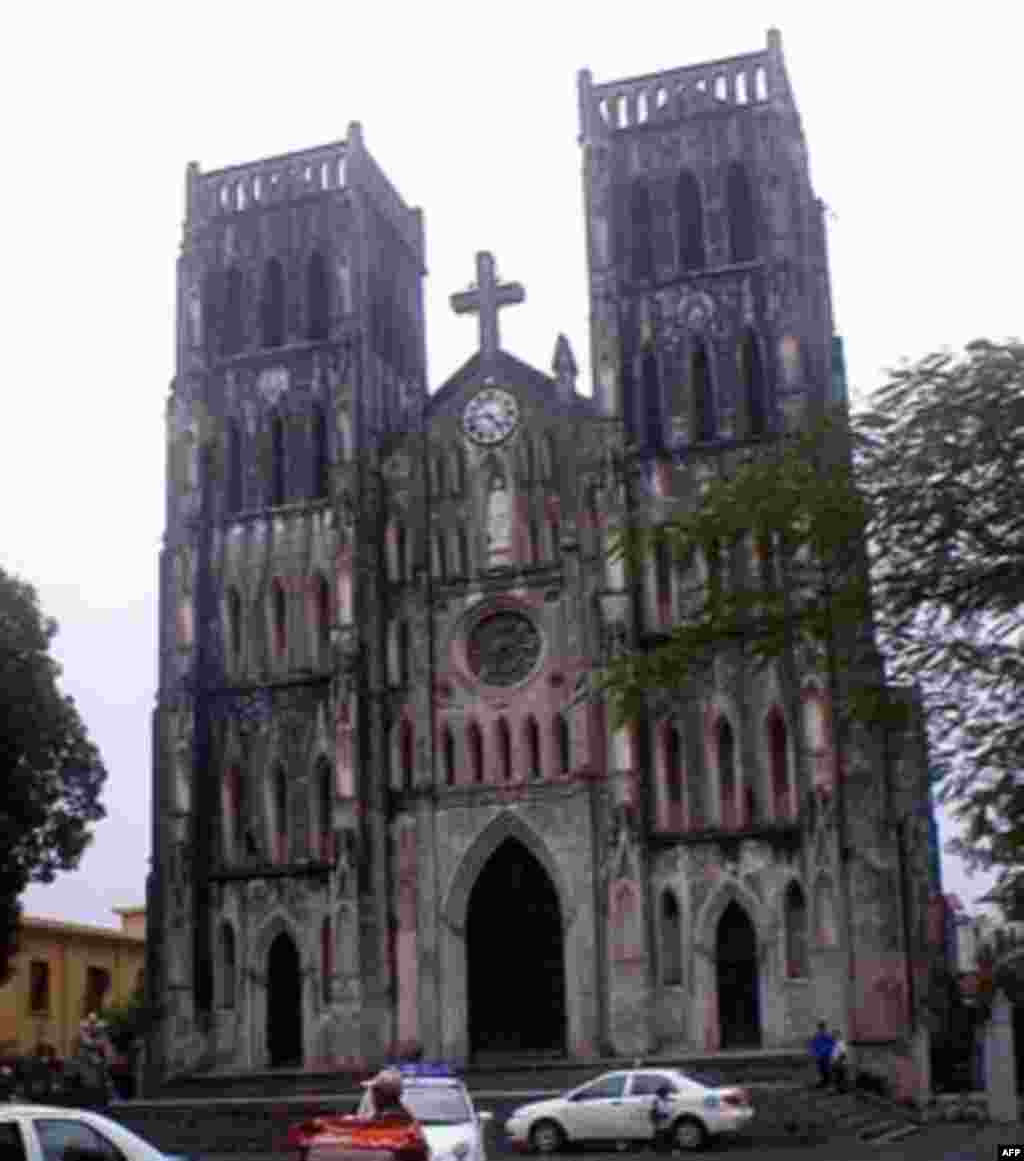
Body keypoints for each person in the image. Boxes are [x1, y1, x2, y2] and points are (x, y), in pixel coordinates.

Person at [649, 1083, 675, 1152]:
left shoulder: (668, 1100)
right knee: (659, 1135)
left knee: (666, 1134)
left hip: (666, 1121)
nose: (666, 1094)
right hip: (660, 1120)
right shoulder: (656, 1101)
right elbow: (653, 1111)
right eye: (665, 1093)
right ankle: (658, 1149)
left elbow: (670, 1110)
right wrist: (656, 1119)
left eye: (666, 1093)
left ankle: (666, 1149)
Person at [810, 1021, 834, 1089]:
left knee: (826, 1070)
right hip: (819, 1056)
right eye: (820, 1027)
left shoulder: (827, 1036)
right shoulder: (816, 1036)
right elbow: (813, 1045)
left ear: (824, 1027)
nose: (821, 1029)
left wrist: (828, 1052)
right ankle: (823, 1082)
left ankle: (827, 1083)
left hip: (825, 1056)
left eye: (822, 1027)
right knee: (821, 1070)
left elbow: (832, 1044)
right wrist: (814, 1053)